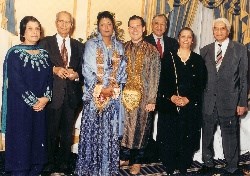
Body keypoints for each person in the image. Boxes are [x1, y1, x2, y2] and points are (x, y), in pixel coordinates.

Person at [75, 11, 127, 176]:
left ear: (113, 27)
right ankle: (89, 170)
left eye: (109, 24)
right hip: (95, 97)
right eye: (103, 24)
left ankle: (107, 170)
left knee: (109, 136)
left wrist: (114, 87)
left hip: (112, 98)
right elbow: (88, 70)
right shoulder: (91, 44)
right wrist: (102, 89)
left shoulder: (119, 46)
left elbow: (122, 71)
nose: (106, 27)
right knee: (93, 136)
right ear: (98, 26)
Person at [1, 16, 52, 175]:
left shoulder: (44, 54)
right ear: (23, 31)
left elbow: (49, 79)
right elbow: (16, 82)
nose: (34, 32)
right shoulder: (14, 53)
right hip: (20, 109)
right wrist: (33, 101)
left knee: (37, 146)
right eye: (30, 28)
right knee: (21, 146)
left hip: (39, 108)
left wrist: (45, 98)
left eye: (37, 28)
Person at [200, 18, 248, 175]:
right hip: (208, 102)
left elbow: (244, 78)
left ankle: (232, 166)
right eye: (216, 29)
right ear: (212, 30)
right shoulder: (205, 50)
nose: (218, 32)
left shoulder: (240, 50)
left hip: (230, 102)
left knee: (230, 135)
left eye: (222, 29)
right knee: (207, 134)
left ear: (228, 31)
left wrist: (242, 103)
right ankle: (207, 163)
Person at [156, 27, 206, 175]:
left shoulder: (197, 59)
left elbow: (201, 83)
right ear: (178, 39)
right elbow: (162, 81)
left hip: (190, 106)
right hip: (170, 105)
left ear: (193, 40)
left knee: (187, 136)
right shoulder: (168, 56)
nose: (185, 39)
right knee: (170, 137)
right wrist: (171, 97)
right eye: (183, 36)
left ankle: (184, 166)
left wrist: (187, 99)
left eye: (189, 37)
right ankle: (170, 167)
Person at [39, 11, 84, 173]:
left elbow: (83, 70)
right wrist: (54, 69)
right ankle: (49, 164)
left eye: (68, 22)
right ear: (56, 23)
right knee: (50, 133)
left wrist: (76, 74)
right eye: (61, 21)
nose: (64, 25)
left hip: (72, 97)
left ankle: (65, 164)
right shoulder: (45, 43)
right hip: (52, 96)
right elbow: (38, 67)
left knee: (67, 133)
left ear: (72, 25)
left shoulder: (79, 46)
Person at [120, 15, 160, 175]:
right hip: (123, 97)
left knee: (141, 129)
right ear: (128, 29)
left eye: (138, 26)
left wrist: (151, 99)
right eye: (132, 26)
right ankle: (124, 157)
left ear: (144, 29)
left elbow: (155, 76)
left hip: (144, 97)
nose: (135, 29)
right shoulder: (122, 48)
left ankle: (137, 161)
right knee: (124, 127)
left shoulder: (152, 50)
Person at [144, 13, 179, 163]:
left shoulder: (173, 43)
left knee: (165, 123)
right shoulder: (144, 41)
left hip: (166, 92)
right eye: (156, 23)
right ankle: (146, 154)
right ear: (151, 25)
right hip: (148, 91)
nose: (159, 27)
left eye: (163, 24)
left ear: (167, 26)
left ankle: (162, 153)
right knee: (147, 124)